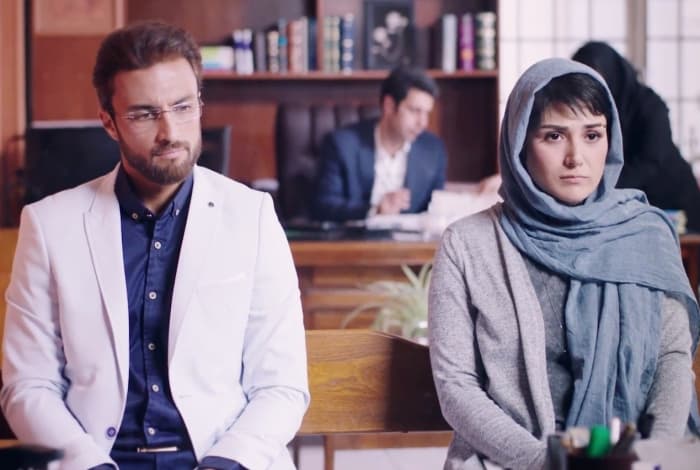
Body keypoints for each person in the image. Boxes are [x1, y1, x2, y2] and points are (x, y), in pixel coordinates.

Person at [1, 21, 309, 470]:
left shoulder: (252, 216)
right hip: (97, 460)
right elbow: (28, 385)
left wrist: (227, 462)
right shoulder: (49, 225)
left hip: (223, 459)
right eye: (145, 114)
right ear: (109, 122)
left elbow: (281, 385)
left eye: (183, 107)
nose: (170, 132)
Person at [428, 57, 700, 470]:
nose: (576, 157)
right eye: (554, 136)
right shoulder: (468, 244)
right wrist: (548, 462)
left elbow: (672, 361)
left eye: (592, 135)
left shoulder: (646, 234)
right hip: (511, 462)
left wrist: (647, 459)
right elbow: (457, 387)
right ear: (520, 142)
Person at [572, 41, 700, 232]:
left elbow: (651, 161)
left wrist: (602, 187)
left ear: (613, 73)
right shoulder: (591, 110)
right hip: (625, 202)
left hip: (672, 198)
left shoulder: (649, 105)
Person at [312, 66, 447, 222]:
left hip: (410, 238)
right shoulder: (342, 144)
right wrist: (375, 210)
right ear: (389, 105)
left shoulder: (433, 149)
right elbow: (323, 207)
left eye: (427, 113)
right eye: (415, 111)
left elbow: (435, 208)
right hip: (354, 236)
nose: (423, 123)